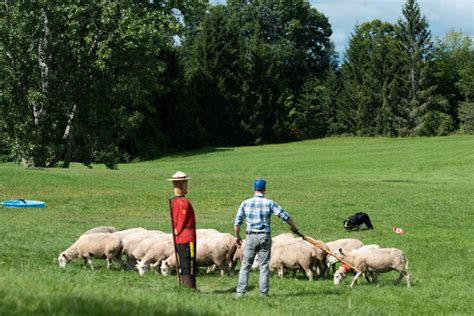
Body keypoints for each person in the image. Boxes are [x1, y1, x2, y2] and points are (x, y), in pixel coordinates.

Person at [234, 178, 299, 298]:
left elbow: (237, 222)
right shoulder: (269, 203)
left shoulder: (245, 203)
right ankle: (264, 293)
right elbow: (284, 215)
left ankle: (240, 292)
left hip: (250, 237)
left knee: (246, 265)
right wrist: (295, 228)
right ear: (264, 189)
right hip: (264, 236)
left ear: (254, 189)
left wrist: (237, 236)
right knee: (264, 265)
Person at [167, 171, 197, 289]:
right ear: (180, 184)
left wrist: (176, 231)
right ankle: (189, 287)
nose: (186, 185)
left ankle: (187, 286)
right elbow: (181, 220)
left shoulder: (175, 201)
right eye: (185, 183)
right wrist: (177, 231)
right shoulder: (183, 202)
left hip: (181, 237)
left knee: (185, 262)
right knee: (188, 262)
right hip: (186, 237)